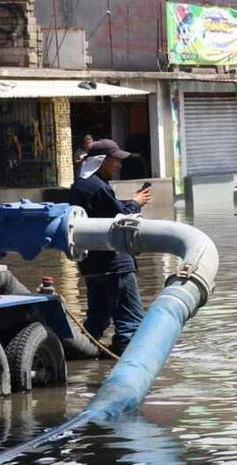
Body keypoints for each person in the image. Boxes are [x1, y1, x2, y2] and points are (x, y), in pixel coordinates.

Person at [68, 139, 151, 354]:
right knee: (130, 320)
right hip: (115, 263)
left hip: (92, 266)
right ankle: (130, 360)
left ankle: (80, 355)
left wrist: (129, 201)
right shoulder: (98, 187)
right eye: (115, 161)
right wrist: (135, 203)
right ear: (102, 161)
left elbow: (106, 210)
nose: (119, 165)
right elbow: (120, 218)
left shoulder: (81, 186)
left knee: (97, 320)